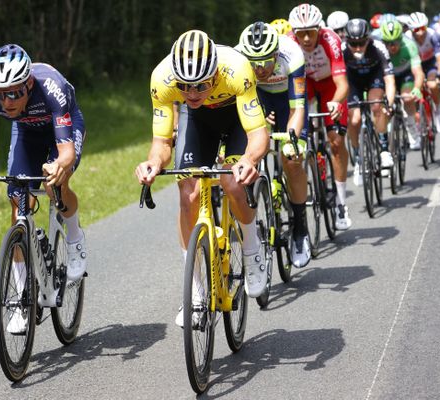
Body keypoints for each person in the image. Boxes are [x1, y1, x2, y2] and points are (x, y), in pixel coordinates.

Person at [134, 30, 270, 326]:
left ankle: (251, 248)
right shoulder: (162, 79)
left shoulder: (237, 69)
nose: (192, 93)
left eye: (201, 85)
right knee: (188, 195)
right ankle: (194, 290)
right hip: (197, 123)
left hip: (236, 118)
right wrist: (153, 163)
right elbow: (161, 142)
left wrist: (249, 160)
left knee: (234, 183)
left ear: (216, 73)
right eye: (185, 86)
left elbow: (259, 134)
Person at [0, 44, 87, 334]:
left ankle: (75, 238)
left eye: (14, 92)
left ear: (28, 83)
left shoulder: (52, 87)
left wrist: (56, 167)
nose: (7, 101)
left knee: (55, 187)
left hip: (62, 129)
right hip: (27, 133)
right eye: (1, 93)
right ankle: (19, 298)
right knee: (17, 200)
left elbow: (66, 153)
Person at [237, 21, 311, 268]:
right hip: (258, 98)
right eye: (254, 63)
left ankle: (300, 229)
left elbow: (297, 107)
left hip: (287, 98)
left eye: (266, 62)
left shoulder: (293, 54)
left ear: (276, 54)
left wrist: (292, 141)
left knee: (292, 160)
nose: (259, 69)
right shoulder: (238, 60)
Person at [288, 3, 352, 231]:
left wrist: (336, 101)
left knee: (335, 141)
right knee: (295, 136)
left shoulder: (331, 40)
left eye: (310, 32)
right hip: (303, 86)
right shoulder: (288, 43)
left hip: (328, 85)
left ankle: (342, 202)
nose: (306, 38)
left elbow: (342, 84)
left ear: (319, 29)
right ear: (294, 33)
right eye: (301, 33)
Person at [343, 18, 396, 186]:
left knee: (377, 105)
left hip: (374, 78)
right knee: (354, 118)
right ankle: (358, 156)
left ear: (369, 39)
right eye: (353, 43)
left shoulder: (378, 47)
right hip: (353, 81)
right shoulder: (343, 51)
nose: (358, 47)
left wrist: (389, 103)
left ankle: (384, 149)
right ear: (347, 41)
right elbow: (338, 80)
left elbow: (389, 80)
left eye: (362, 43)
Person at [381, 19, 425, 150]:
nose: (392, 46)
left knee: (407, 98)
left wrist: (417, 88)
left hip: (406, 74)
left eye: (395, 42)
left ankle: (412, 130)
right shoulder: (379, 48)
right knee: (384, 102)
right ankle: (386, 132)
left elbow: (418, 72)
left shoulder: (410, 45)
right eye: (388, 43)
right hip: (389, 76)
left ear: (401, 38)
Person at [405, 12, 440, 132]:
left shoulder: (434, 36)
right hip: (414, 66)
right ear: (412, 30)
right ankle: (417, 116)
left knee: (432, 85)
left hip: (430, 64)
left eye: (423, 28)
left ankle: (438, 110)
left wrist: (439, 74)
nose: (421, 32)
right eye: (417, 29)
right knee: (411, 91)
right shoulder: (407, 39)